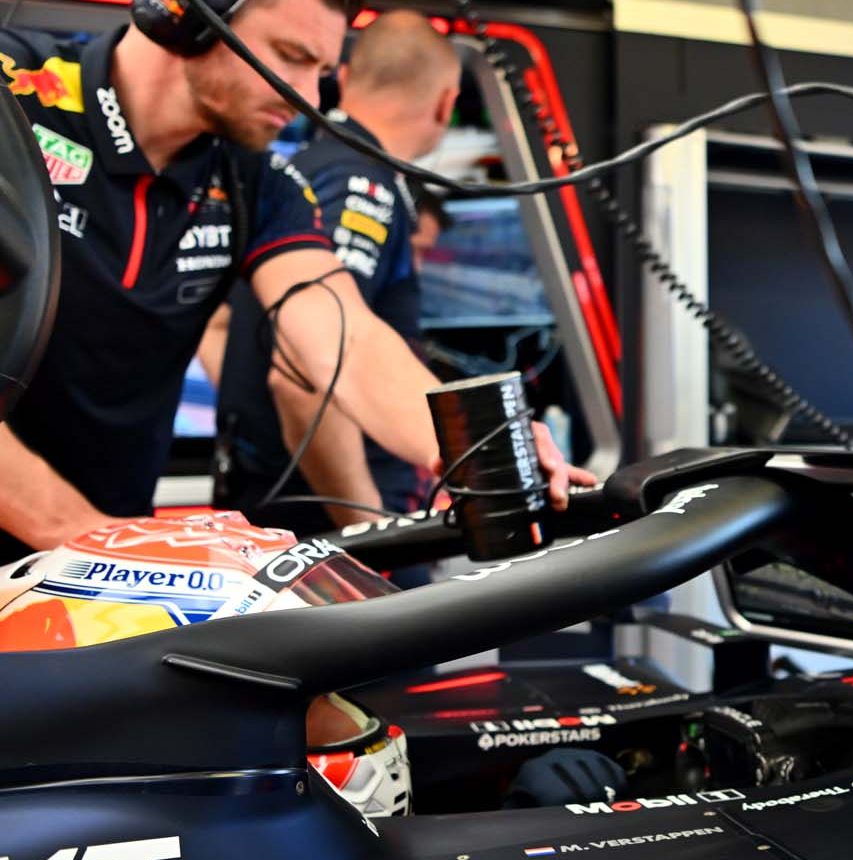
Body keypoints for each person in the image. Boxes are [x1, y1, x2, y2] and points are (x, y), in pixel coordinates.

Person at [0, 0, 587, 564]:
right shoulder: (14, 93)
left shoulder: (255, 181)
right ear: (184, 12)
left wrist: (468, 443)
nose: (308, 99)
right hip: (80, 545)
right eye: (291, 55)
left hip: (94, 566)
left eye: (324, 70)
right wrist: (88, 538)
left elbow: (344, 337)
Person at [203, 10, 458, 537]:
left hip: (278, 513)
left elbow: (219, 324)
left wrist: (258, 432)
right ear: (445, 102)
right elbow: (307, 375)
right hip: (332, 531)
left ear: (340, 78)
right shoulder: (360, 183)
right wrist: (369, 533)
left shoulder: (296, 174)